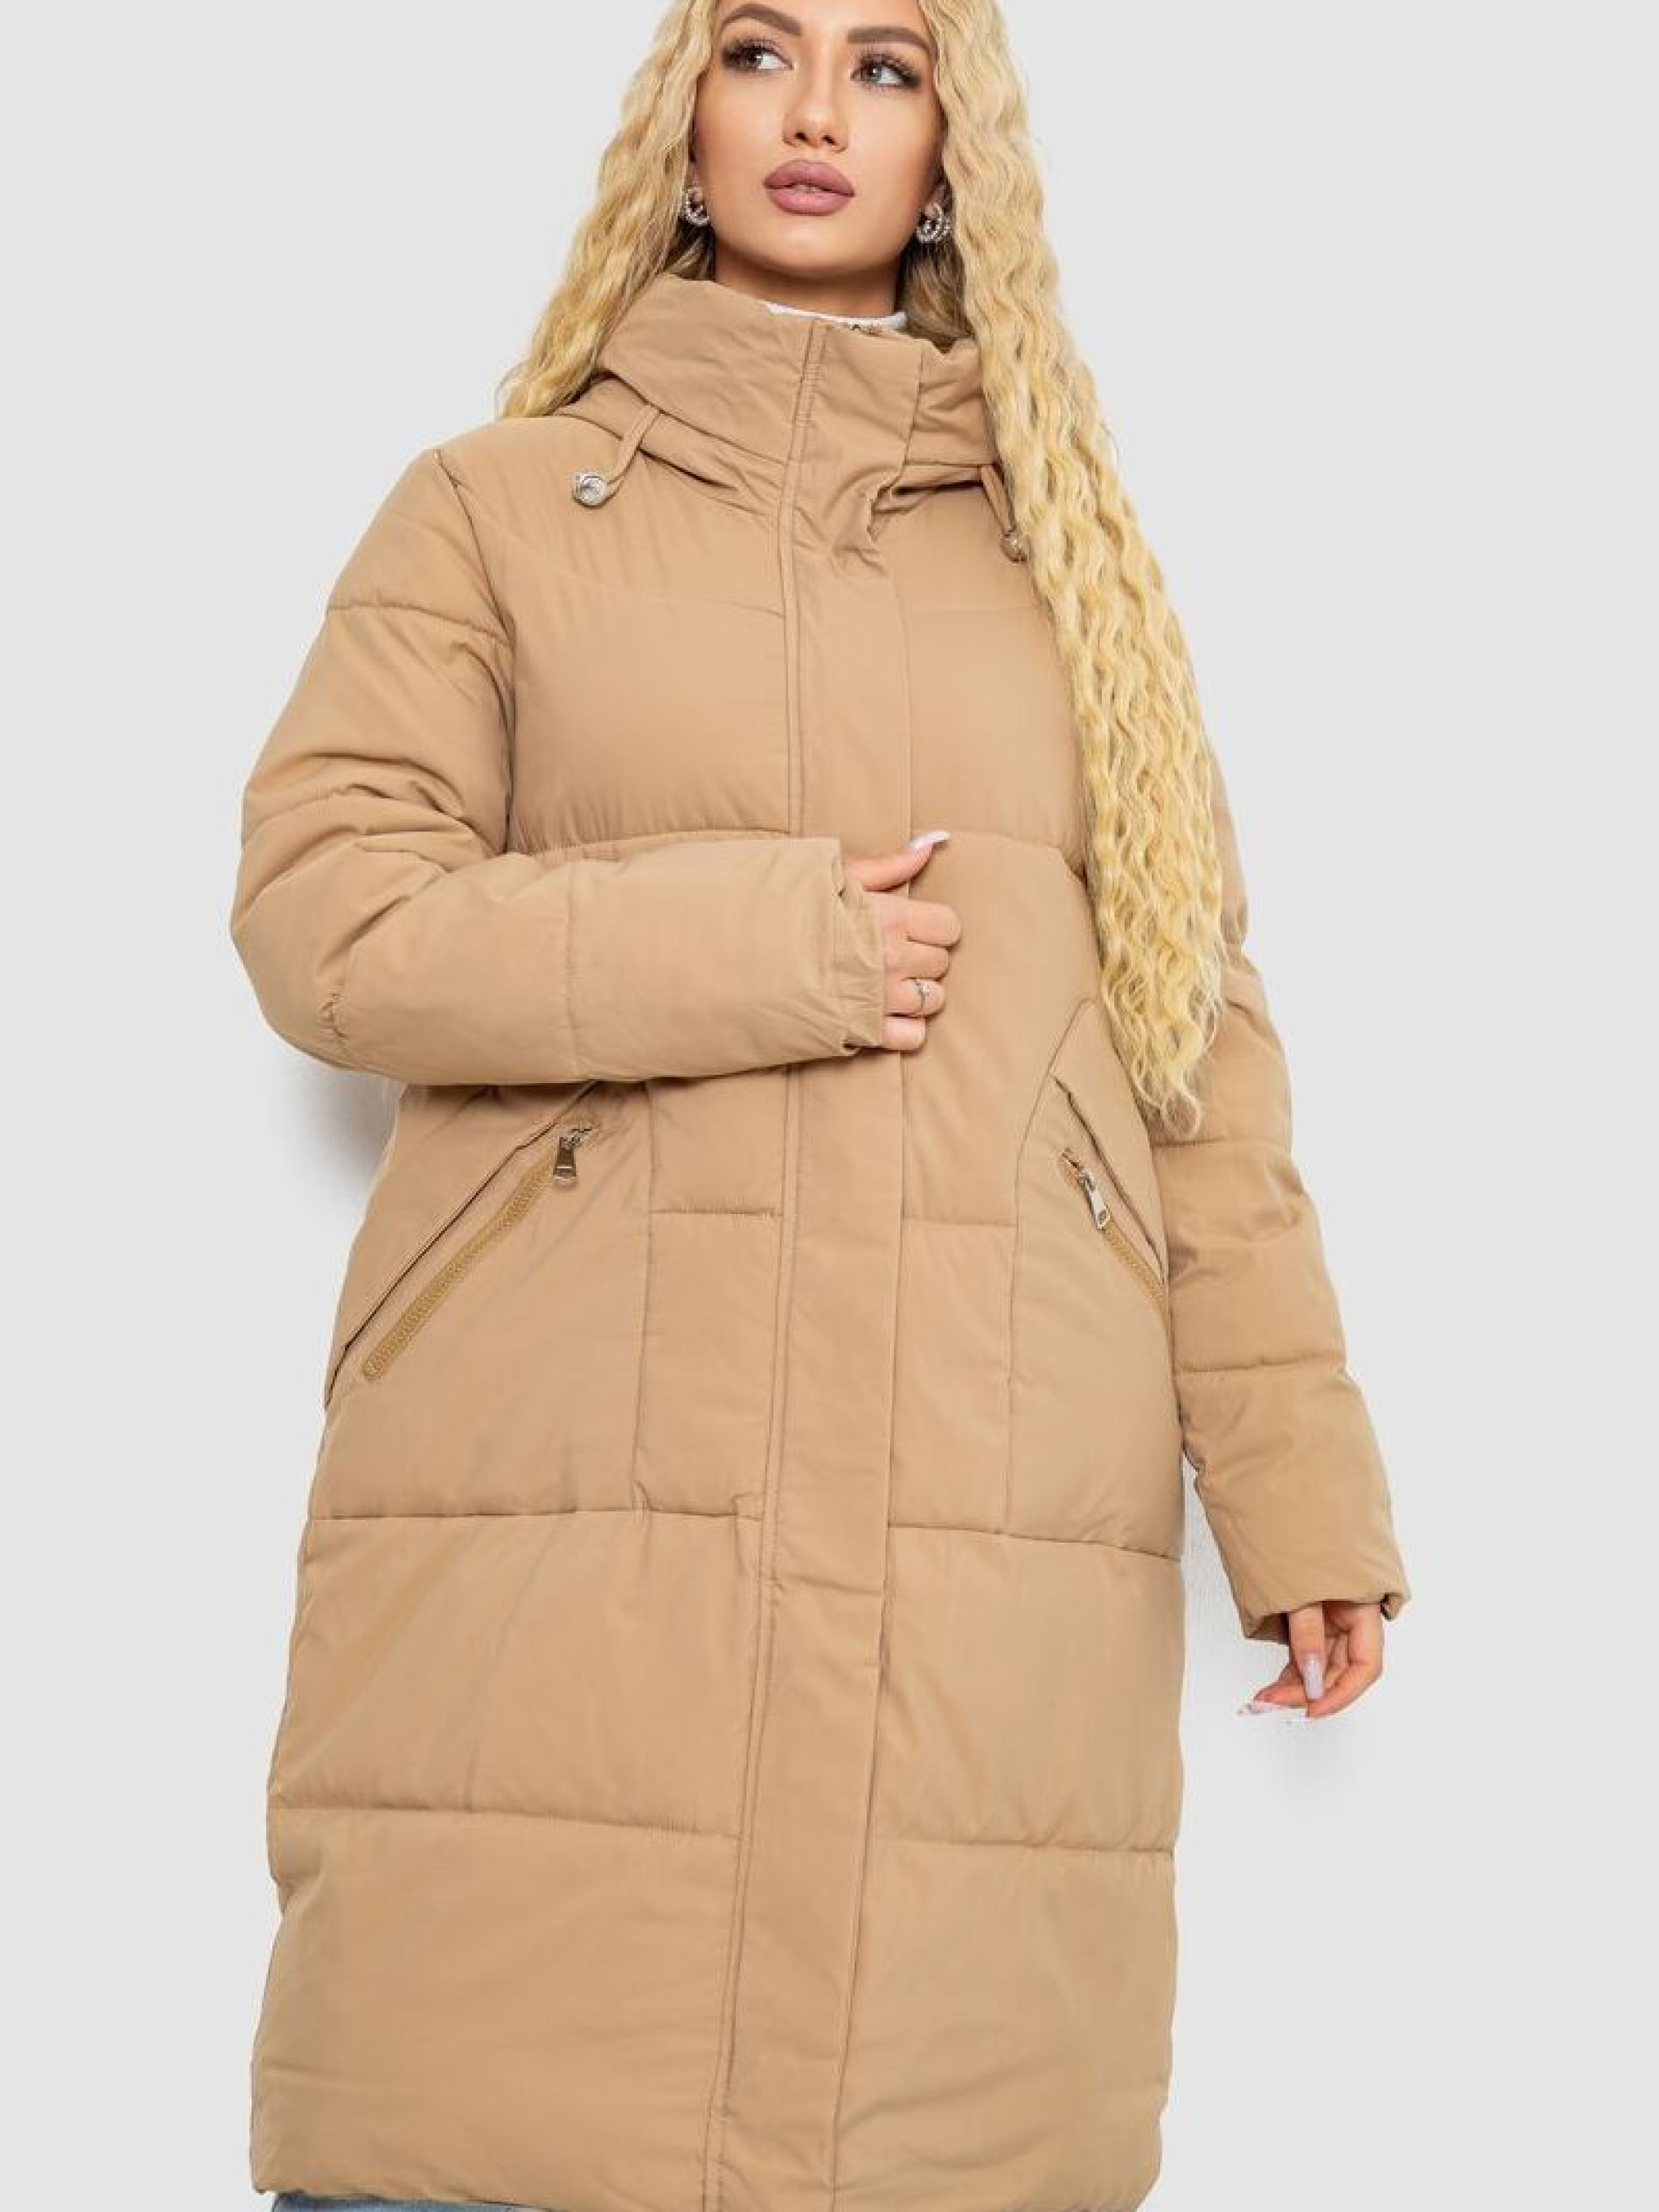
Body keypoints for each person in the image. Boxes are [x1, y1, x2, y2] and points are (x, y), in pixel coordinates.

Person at [231, 3, 1412, 2209]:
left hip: (991, 1508)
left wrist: (1303, 1502)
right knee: (486, 2090)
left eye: (884, 63)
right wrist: (766, 939)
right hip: (560, 1503)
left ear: (957, 144)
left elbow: (1195, 1060)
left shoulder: (1077, 578)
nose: (812, 110)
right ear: (677, 117)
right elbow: (329, 919)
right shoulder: (495, 510)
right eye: (758, 48)